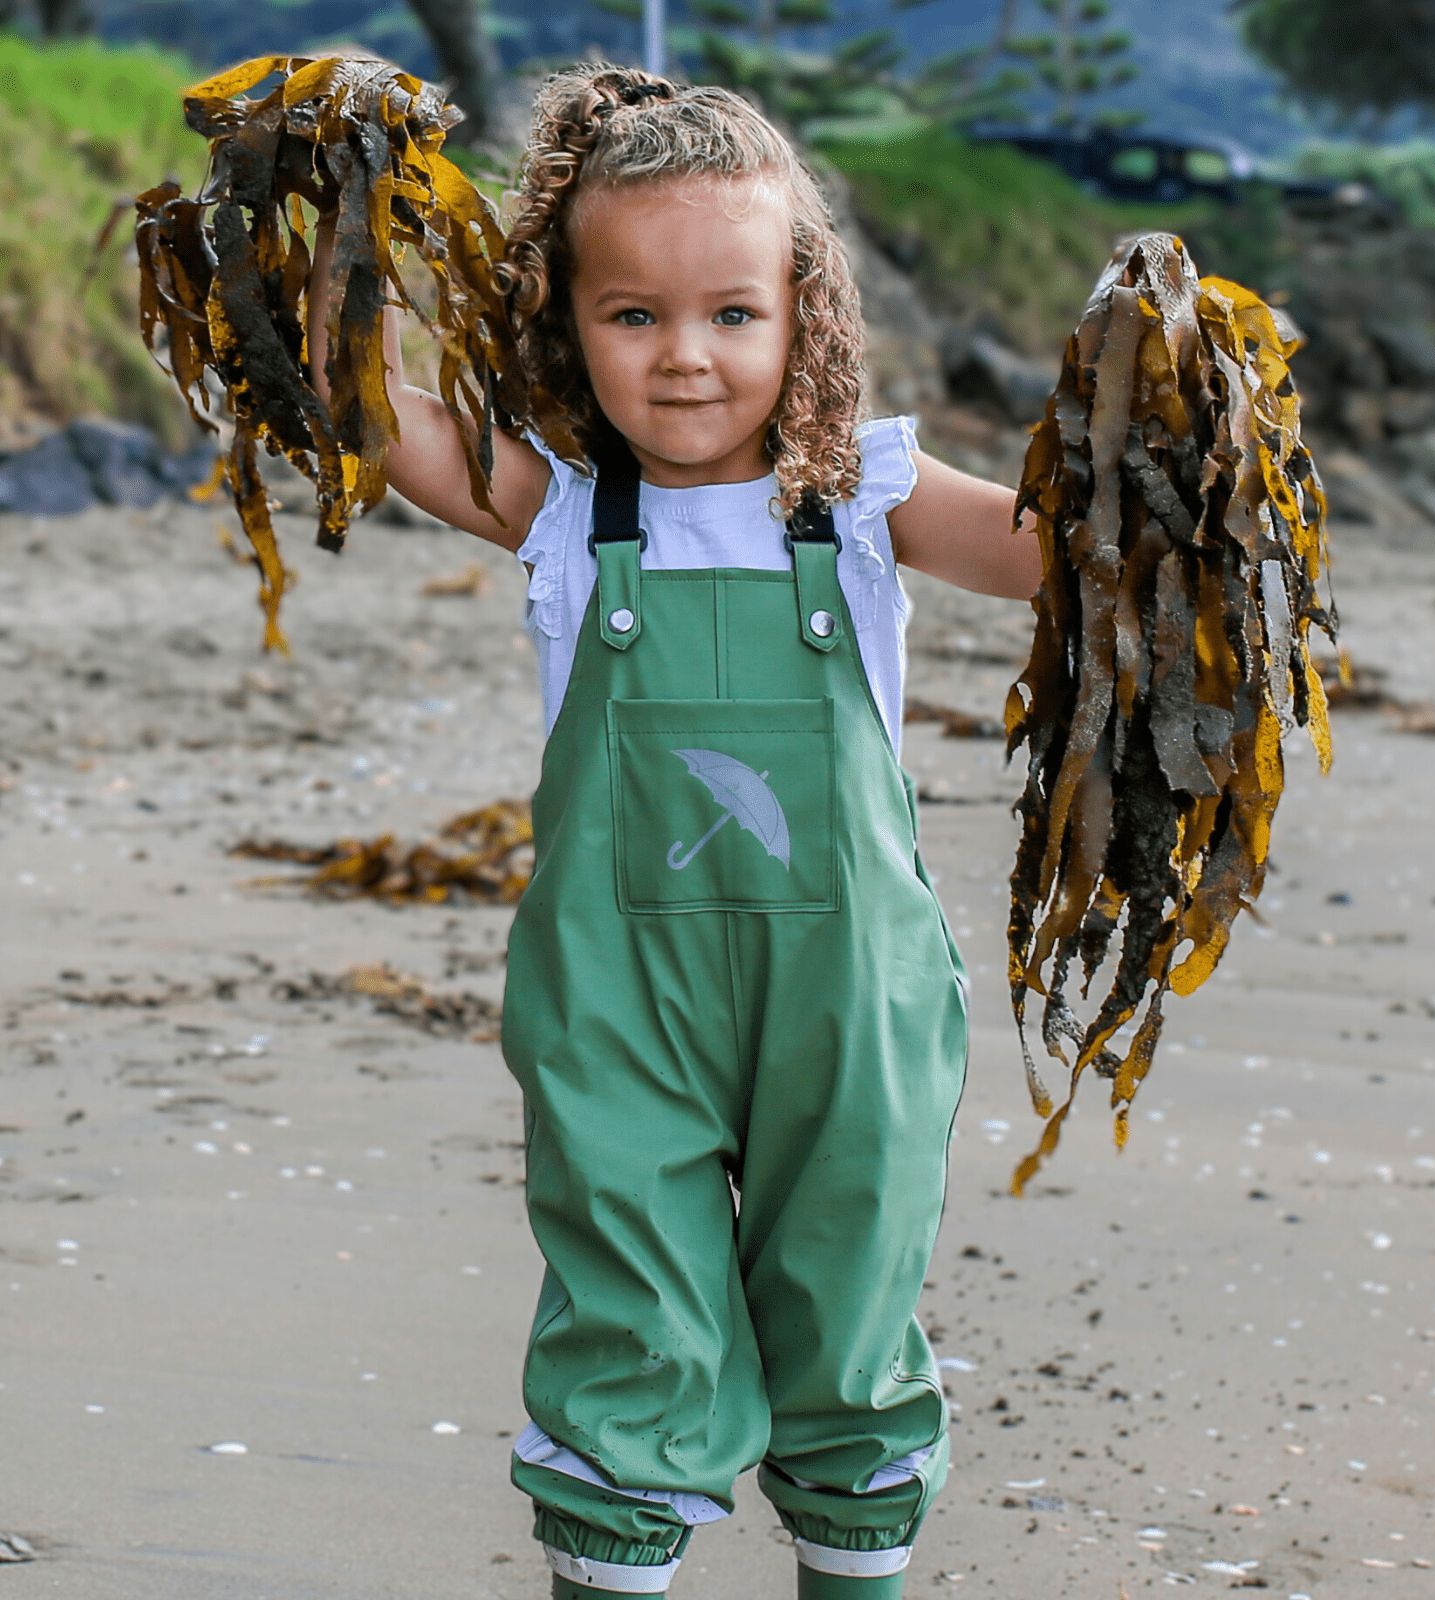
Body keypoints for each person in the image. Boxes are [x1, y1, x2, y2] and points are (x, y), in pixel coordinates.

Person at [310, 62, 1041, 1600]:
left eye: (732, 312)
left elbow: (1057, 550)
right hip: (615, 1007)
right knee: (627, 1330)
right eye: (632, 314)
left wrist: (1170, 430)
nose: (687, 359)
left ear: (806, 315)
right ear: (565, 325)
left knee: (848, 1328)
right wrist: (325, 218)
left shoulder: (867, 499)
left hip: (850, 1009)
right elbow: (361, 406)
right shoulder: (566, 506)